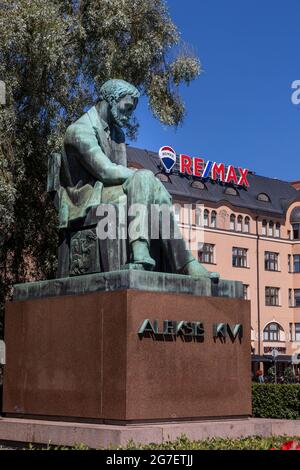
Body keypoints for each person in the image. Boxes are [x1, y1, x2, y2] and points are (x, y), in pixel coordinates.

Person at [61, 79, 218, 278]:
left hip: (109, 190)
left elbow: (122, 175)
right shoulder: (79, 130)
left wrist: (146, 181)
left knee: (146, 183)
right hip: (86, 196)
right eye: (127, 108)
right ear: (110, 100)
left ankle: (152, 255)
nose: (129, 116)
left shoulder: (117, 133)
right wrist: (147, 178)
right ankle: (180, 261)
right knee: (144, 178)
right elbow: (106, 171)